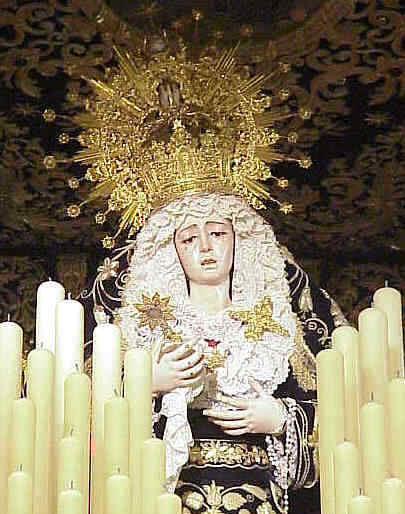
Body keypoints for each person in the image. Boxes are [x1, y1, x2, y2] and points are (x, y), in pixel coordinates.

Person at [116, 192, 347, 514]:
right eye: (189, 239)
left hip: (259, 500)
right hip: (168, 498)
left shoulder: (284, 330)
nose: (205, 247)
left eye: (217, 233)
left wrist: (281, 418)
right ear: (171, 251)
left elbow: (345, 414)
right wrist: (145, 384)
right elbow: (87, 419)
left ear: (240, 240)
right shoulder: (141, 333)